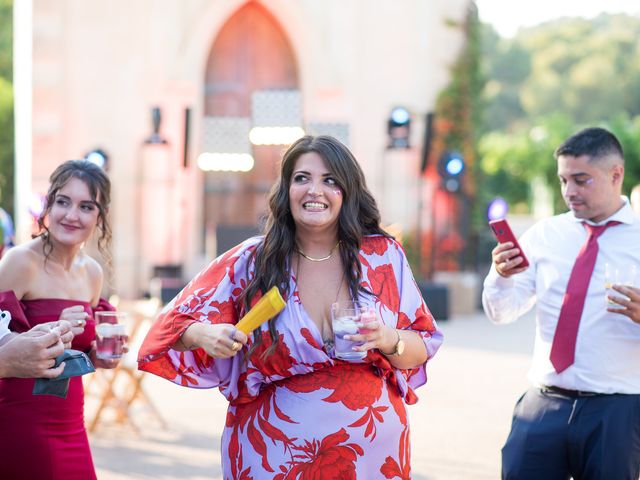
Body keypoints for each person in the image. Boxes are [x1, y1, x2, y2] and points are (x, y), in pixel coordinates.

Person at [138, 135, 443, 478]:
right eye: (302, 178)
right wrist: (204, 334)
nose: (315, 190)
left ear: (348, 190)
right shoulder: (253, 261)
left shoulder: (383, 257)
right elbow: (169, 328)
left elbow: (421, 347)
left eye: (330, 180)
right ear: (286, 189)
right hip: (274, 454)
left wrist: (387, 338)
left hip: (372, 456)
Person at [482, 127, 640, 479]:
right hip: (543, 404)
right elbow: (500, 313)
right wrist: (501, 275)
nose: (569, 191)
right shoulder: (545, 235)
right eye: (563, 180)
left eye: (581, 180)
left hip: (616, 410)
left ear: (616, 175)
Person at [0, 159, 121, 479]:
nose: (71, 215)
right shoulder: (20, 262)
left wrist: (99, 356)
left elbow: (75, 356)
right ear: (48, 205)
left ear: (100, 217)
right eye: (63, 202)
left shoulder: (92, 274)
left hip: (72, 423)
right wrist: (56, 329)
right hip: (20, 418)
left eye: (86, 206)